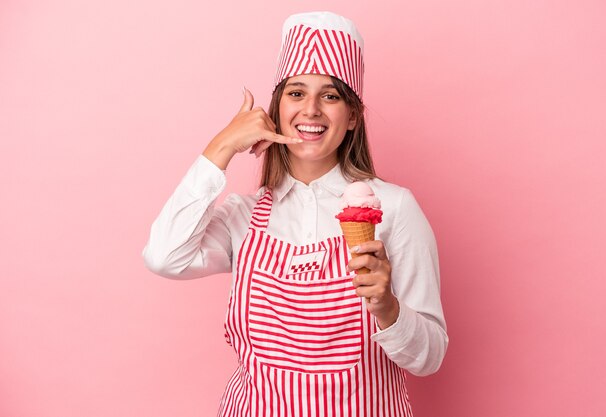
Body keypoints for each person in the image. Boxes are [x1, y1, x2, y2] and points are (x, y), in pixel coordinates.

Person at [143, 11, 448, 416]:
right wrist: (221, 148)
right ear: (276, 108)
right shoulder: (244, 217)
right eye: (297, 92)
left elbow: (430, 358)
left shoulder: (393, 208)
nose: (312, 110)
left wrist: (388, 308)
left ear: (353, 116)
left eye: (331, 95)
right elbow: (164, 256)